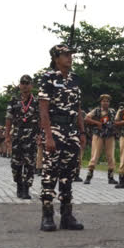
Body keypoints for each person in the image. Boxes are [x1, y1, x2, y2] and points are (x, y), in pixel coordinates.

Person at [38, 44, 86, 232]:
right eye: (65, 55)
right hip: (55, 129)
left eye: (70, 55)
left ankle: (67, 216)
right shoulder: (48, 78)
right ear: (56, 58)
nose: (69, 58)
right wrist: (48, 136)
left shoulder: (75, 79)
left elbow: (79, 108)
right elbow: (43, 110)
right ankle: (47, 216)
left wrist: (82, 132)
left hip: (71, 131)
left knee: (68, 175)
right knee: (50, 174)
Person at [5, 74, 40, 200]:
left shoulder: (36, 102)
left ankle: (26, 188)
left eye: (27, 83)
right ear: (19, 85)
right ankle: (19, 185)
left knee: (30, 164)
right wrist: (7, 136)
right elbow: (8, 118)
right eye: (22, 83)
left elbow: (41, 119)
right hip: (17, 136)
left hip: (31, 137)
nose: (25, 86)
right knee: (16, 164)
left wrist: (40, 135)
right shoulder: (14, 101)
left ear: (31, 85)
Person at [83, 94, 118, 185]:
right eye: (103, 101)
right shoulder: (96, 111)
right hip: (98, 135)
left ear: (109, 102)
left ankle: (111, 177)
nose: (105, 102)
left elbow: (117, 120)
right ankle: (88, 176)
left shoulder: (113, 111)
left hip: (109, 135)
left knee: (110, 156)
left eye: (107, 101)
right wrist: (97, 123)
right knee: (94, 156)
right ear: (100, 102)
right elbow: (86, 118)